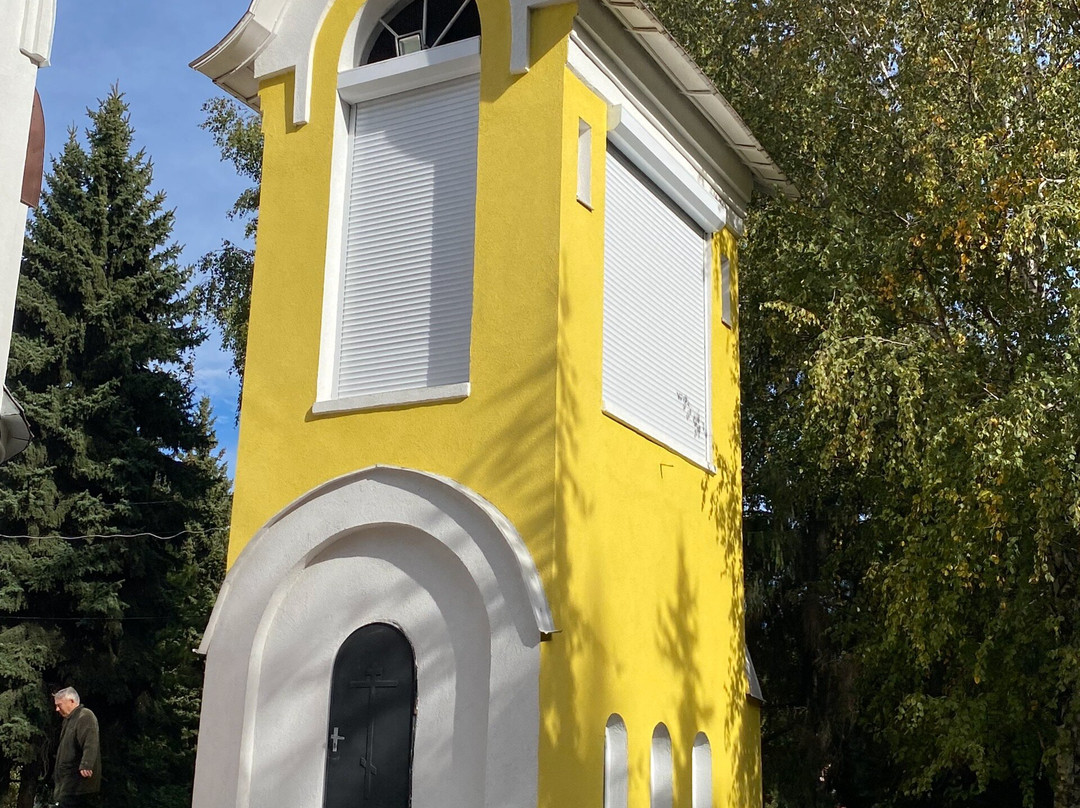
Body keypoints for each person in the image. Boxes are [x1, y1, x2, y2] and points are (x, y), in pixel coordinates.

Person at [51, 687, 101, 807]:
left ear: (72, 701)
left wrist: (86, 764)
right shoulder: (69, 721)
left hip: (77, 785)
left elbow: (90, 741)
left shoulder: (85, 716)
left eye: (59, 705)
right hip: (67, 784)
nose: (57, 709)